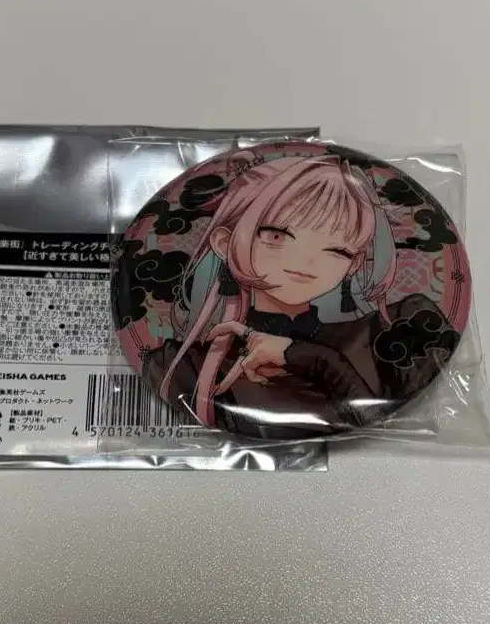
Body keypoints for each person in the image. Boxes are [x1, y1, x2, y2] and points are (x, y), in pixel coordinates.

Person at [144, 153, 458, 439]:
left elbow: (378, 429)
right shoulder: (184, 365)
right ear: (225, 244)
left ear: (353, 265)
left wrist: (312, 358)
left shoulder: (398, 330)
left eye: (337, 250)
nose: (307, 261)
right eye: (277, 235)